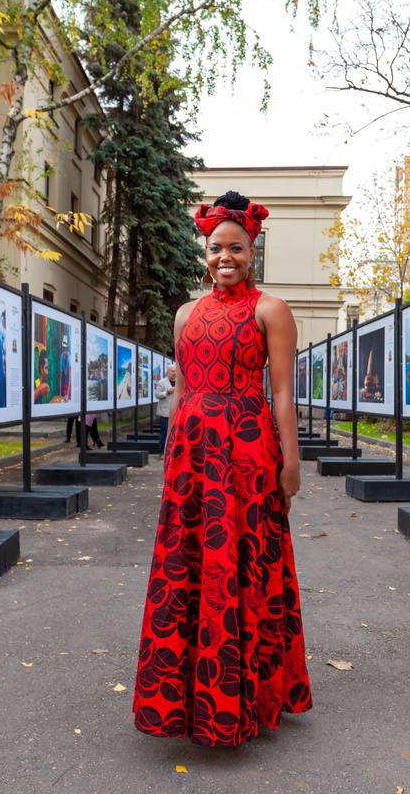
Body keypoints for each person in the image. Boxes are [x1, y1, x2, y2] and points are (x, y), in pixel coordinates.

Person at [134, 190, 310, 746]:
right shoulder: (186, 313)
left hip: (247, 453)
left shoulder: (271, 310)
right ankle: (187, 698)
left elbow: (282, 393)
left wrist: (291, 461)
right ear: (205, 252)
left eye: (235, 247)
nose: (224, 257)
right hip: (192, 455)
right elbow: (183, 391)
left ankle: (245, 698)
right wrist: (169, 453)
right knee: (189, 566)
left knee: (242, 562)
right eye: (215, 248)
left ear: (252, 250)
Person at [153, 362, 176, 459]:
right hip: (165, 412)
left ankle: (174, 452)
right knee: (164, 432)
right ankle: (162, 452)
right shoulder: (161, 382)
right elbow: (157, 395)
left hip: (177, 411)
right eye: (172, 371)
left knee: (176, 432)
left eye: (175, 371)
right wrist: (167, 392)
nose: (174, 373)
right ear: (167, 372)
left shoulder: (180, 382)